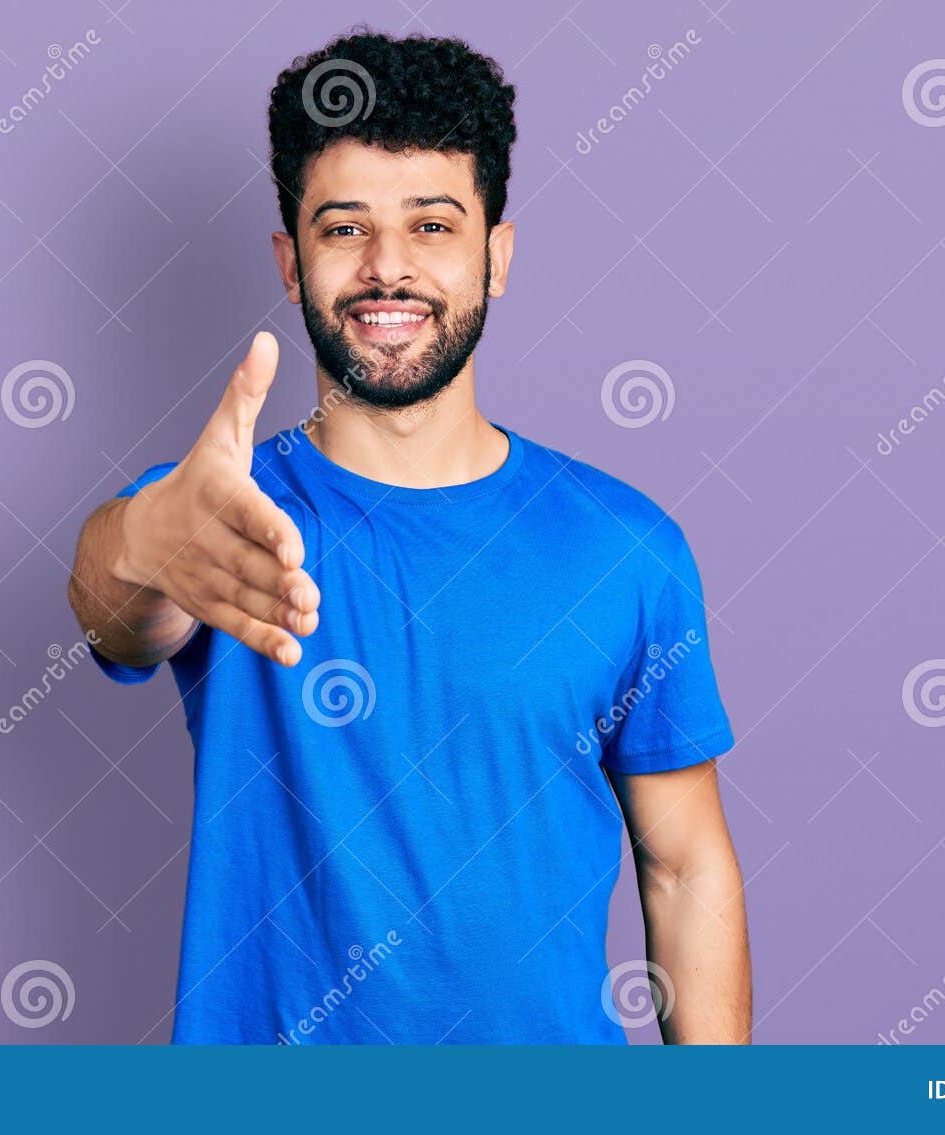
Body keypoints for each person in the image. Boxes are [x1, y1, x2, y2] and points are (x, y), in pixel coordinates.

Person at [67, 29, 749, 1044]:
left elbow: (684, 863)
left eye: (432, 224)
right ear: (290, 264)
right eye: (344, 230)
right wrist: (138, 542)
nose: (388, 268)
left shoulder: (625, 548)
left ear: (496, 255)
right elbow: (118, 608)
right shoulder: (220, 518)